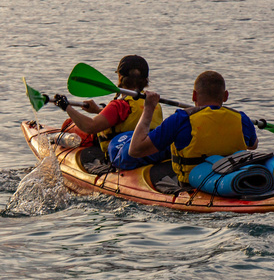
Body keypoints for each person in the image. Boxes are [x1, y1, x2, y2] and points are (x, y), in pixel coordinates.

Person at [128, 70, 258, 184]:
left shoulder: (181, 119)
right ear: (225, 96)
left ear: (194, 95)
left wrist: (149, 109)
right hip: (231, 182)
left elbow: (135, 150)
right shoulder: (242, 119)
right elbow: (253, 145)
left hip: (191, 186)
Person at [52, 55, 167, 168]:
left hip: (121, 155)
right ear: (146, 80)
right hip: (149, 154)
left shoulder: (120, 105)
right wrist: (98, 110)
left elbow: (90, 127)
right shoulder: (153, 103)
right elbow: (130, 117)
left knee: (75, 129)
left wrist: (67, 107)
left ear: (120, 77)